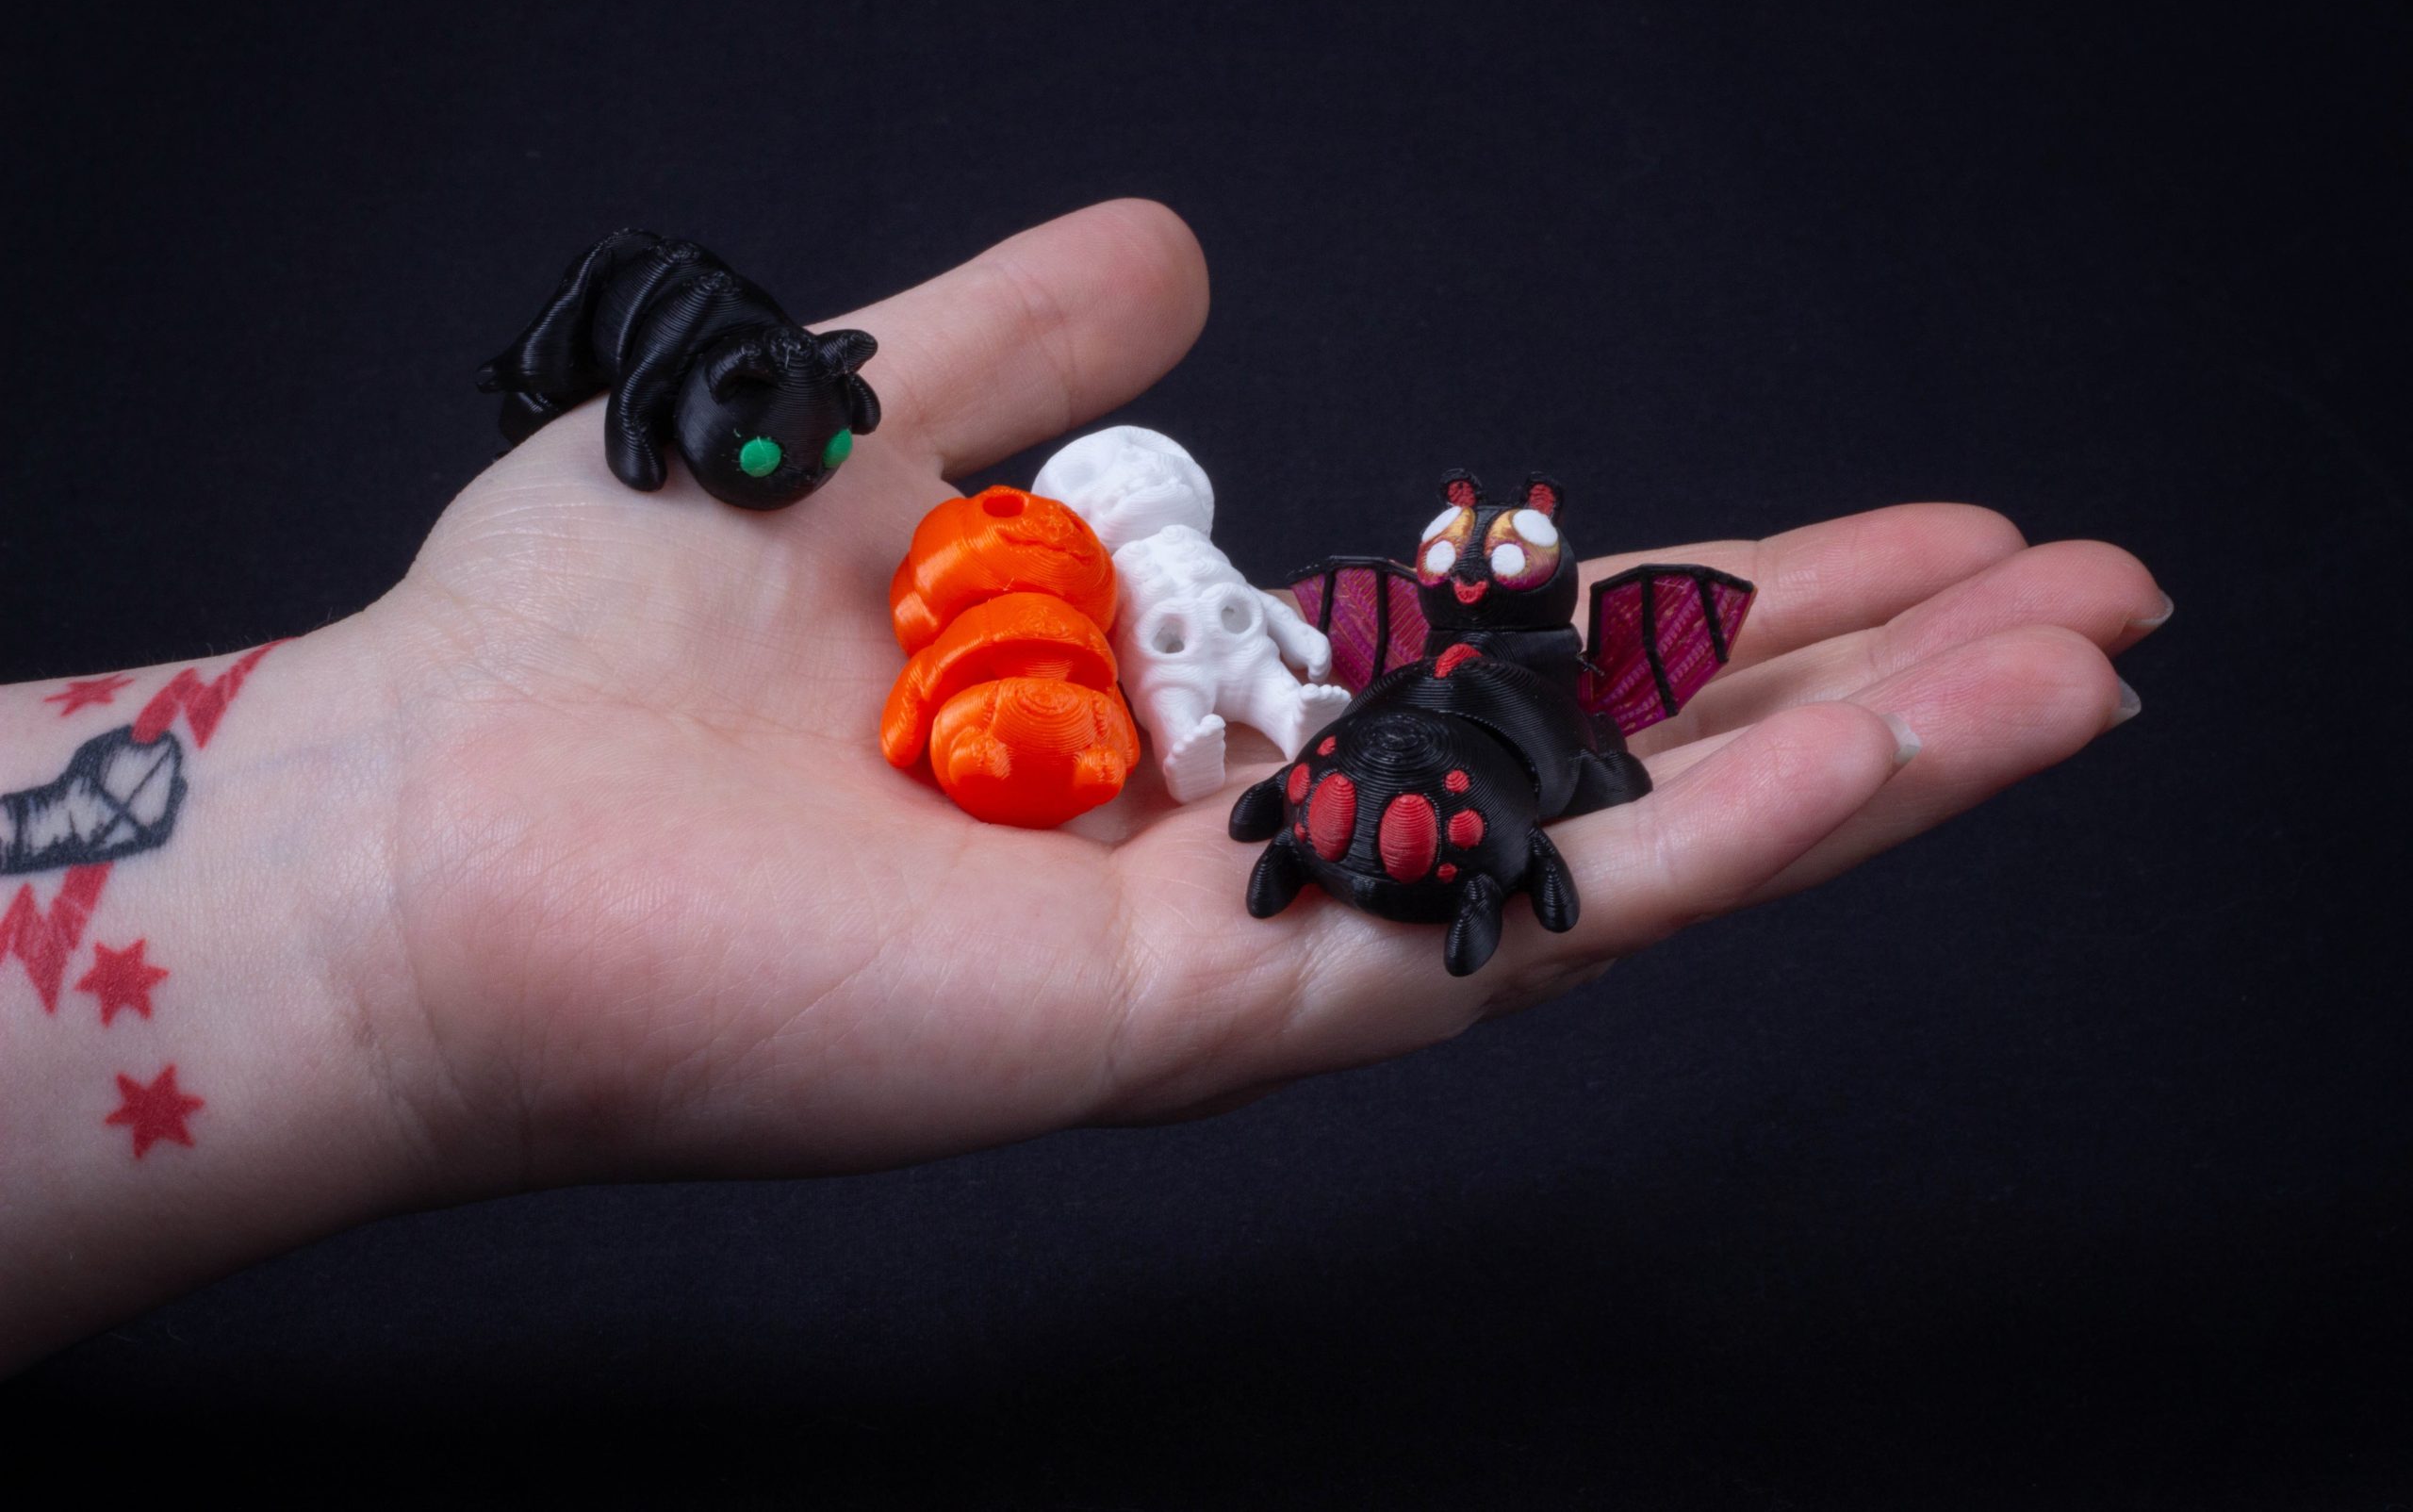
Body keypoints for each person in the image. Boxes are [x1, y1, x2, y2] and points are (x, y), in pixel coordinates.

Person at [0, 200, 2165, 1371]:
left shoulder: (1295, 656)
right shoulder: (1022, 593)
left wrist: (1299, 694)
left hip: (1322, 714)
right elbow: (1049, 671)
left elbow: (1281, 686)